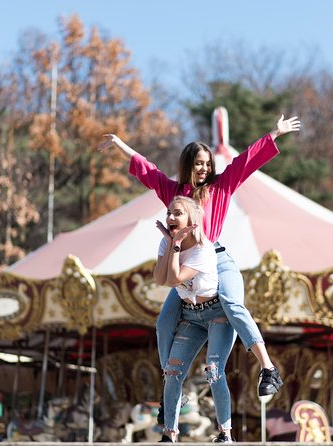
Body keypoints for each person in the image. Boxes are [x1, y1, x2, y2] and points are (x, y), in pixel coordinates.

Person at [99, 114, 301, 419]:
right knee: (164, 321)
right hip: (185, 261)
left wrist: (275, 133)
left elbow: (246, 161)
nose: (205, 167)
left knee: (233, 304)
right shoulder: (173, 193)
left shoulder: (222, 186)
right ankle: (171, 387)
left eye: (207, 162)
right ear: (188, 165)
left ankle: (268, 369)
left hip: (215, 257)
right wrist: (119, 144)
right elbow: (147, 171)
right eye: (199, 163)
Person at [153, 195, 235, 443]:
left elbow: (173, 278)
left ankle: (225, 433)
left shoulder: (203, 249)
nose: (170, 217)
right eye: (168, 212)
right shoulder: (164, 243)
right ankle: (169, 433)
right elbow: (159, 279)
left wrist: (175, 246)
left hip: (216, 314)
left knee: (214, 371)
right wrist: (170, 244)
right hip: (191, 315)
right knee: (172, 371)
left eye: (177, 213)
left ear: (191, 219)